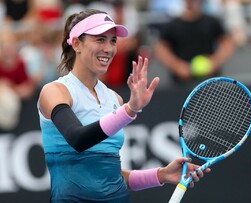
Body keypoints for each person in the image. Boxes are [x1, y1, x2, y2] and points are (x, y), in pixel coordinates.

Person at [37, 9, 210, 202]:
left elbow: (111, 177)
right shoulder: (54, 92)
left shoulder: (114, 99)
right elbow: (78, 139)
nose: (109, 48)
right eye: (100, 39)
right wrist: (129, 110)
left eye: (113, 41)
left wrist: (161, 175)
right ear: (76, 43)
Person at [153, 0, 235, 85]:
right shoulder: (172, 25)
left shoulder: (212, 22)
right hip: (181, 84)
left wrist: (215, 61)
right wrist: (177, 66)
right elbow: (160, 49)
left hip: (210, 82)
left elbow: (227, 43)